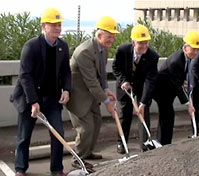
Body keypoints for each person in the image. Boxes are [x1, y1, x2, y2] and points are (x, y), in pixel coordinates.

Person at [10, 8, 71, 176]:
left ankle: (57, 169)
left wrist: (66, 89)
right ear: (44, 26)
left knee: (58, 133)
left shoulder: (63, 46)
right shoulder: (31, 46)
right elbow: (25, 76)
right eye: (53, 25)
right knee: (24, 136)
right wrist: (33, 101)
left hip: (52, 98)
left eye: (59, 25)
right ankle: (20, 169)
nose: (57, 29)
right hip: (29, 97)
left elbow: (66, 71)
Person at [65, 16, 118, 168]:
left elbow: (101, 74)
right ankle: (78, 159)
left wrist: (106, 89)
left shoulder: (103, 49)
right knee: (86, 127)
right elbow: (91, 82)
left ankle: (87, 152)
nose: (112, 40)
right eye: (109, 36)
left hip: (91, 95)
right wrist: (107, 102)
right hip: (78, 96)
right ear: (100, 35)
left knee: (97, 121)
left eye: (113, 37)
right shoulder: (85, 52)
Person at [112, 24, 159, 153]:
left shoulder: (152, 56)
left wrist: (143, 102)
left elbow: (150, 80)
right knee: (124, 115)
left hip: (141, 87)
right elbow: (116, 68)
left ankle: (145, 144)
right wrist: (123, 80)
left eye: (146, 42)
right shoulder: (122, 50)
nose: (144, 46)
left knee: (143, 113)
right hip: (124, 87)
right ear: (133, 42)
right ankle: (121, 143)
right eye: (141, 43)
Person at [154, 31, 199, 145]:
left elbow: (178, 79)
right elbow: (176, 84)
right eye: (194, 49)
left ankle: (164, 142)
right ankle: (163, 143)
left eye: (197, 49)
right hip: (162, 91)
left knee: (168, 116)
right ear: (185, 48)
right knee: (167, 116)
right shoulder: (176, 60)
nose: (196, 52)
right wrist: (188, 104)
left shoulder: (186, 58)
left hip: (170, 89)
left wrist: (183, 82)